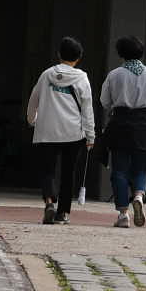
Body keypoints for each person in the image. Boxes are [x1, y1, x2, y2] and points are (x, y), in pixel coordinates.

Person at [97, 34, 146, 228]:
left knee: (119, 170)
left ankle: (123, 214)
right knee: (141, 168)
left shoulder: (114, 75)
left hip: (120, 124)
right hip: (144, 126)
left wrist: (116, 105)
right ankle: (138, 195)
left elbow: (104, 101)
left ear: (120, 53)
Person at [26, 35, 98, 224]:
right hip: (73, 133)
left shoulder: (46, 75)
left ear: (59, 54)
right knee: (68, 173)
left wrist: (32, 120)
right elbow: (87, 109)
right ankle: (62, 213)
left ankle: (49, 202)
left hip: (47, 131)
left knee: (47, 170)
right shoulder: (82, 78)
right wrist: (90, 136)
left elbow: (34, 99)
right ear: (79, 57)